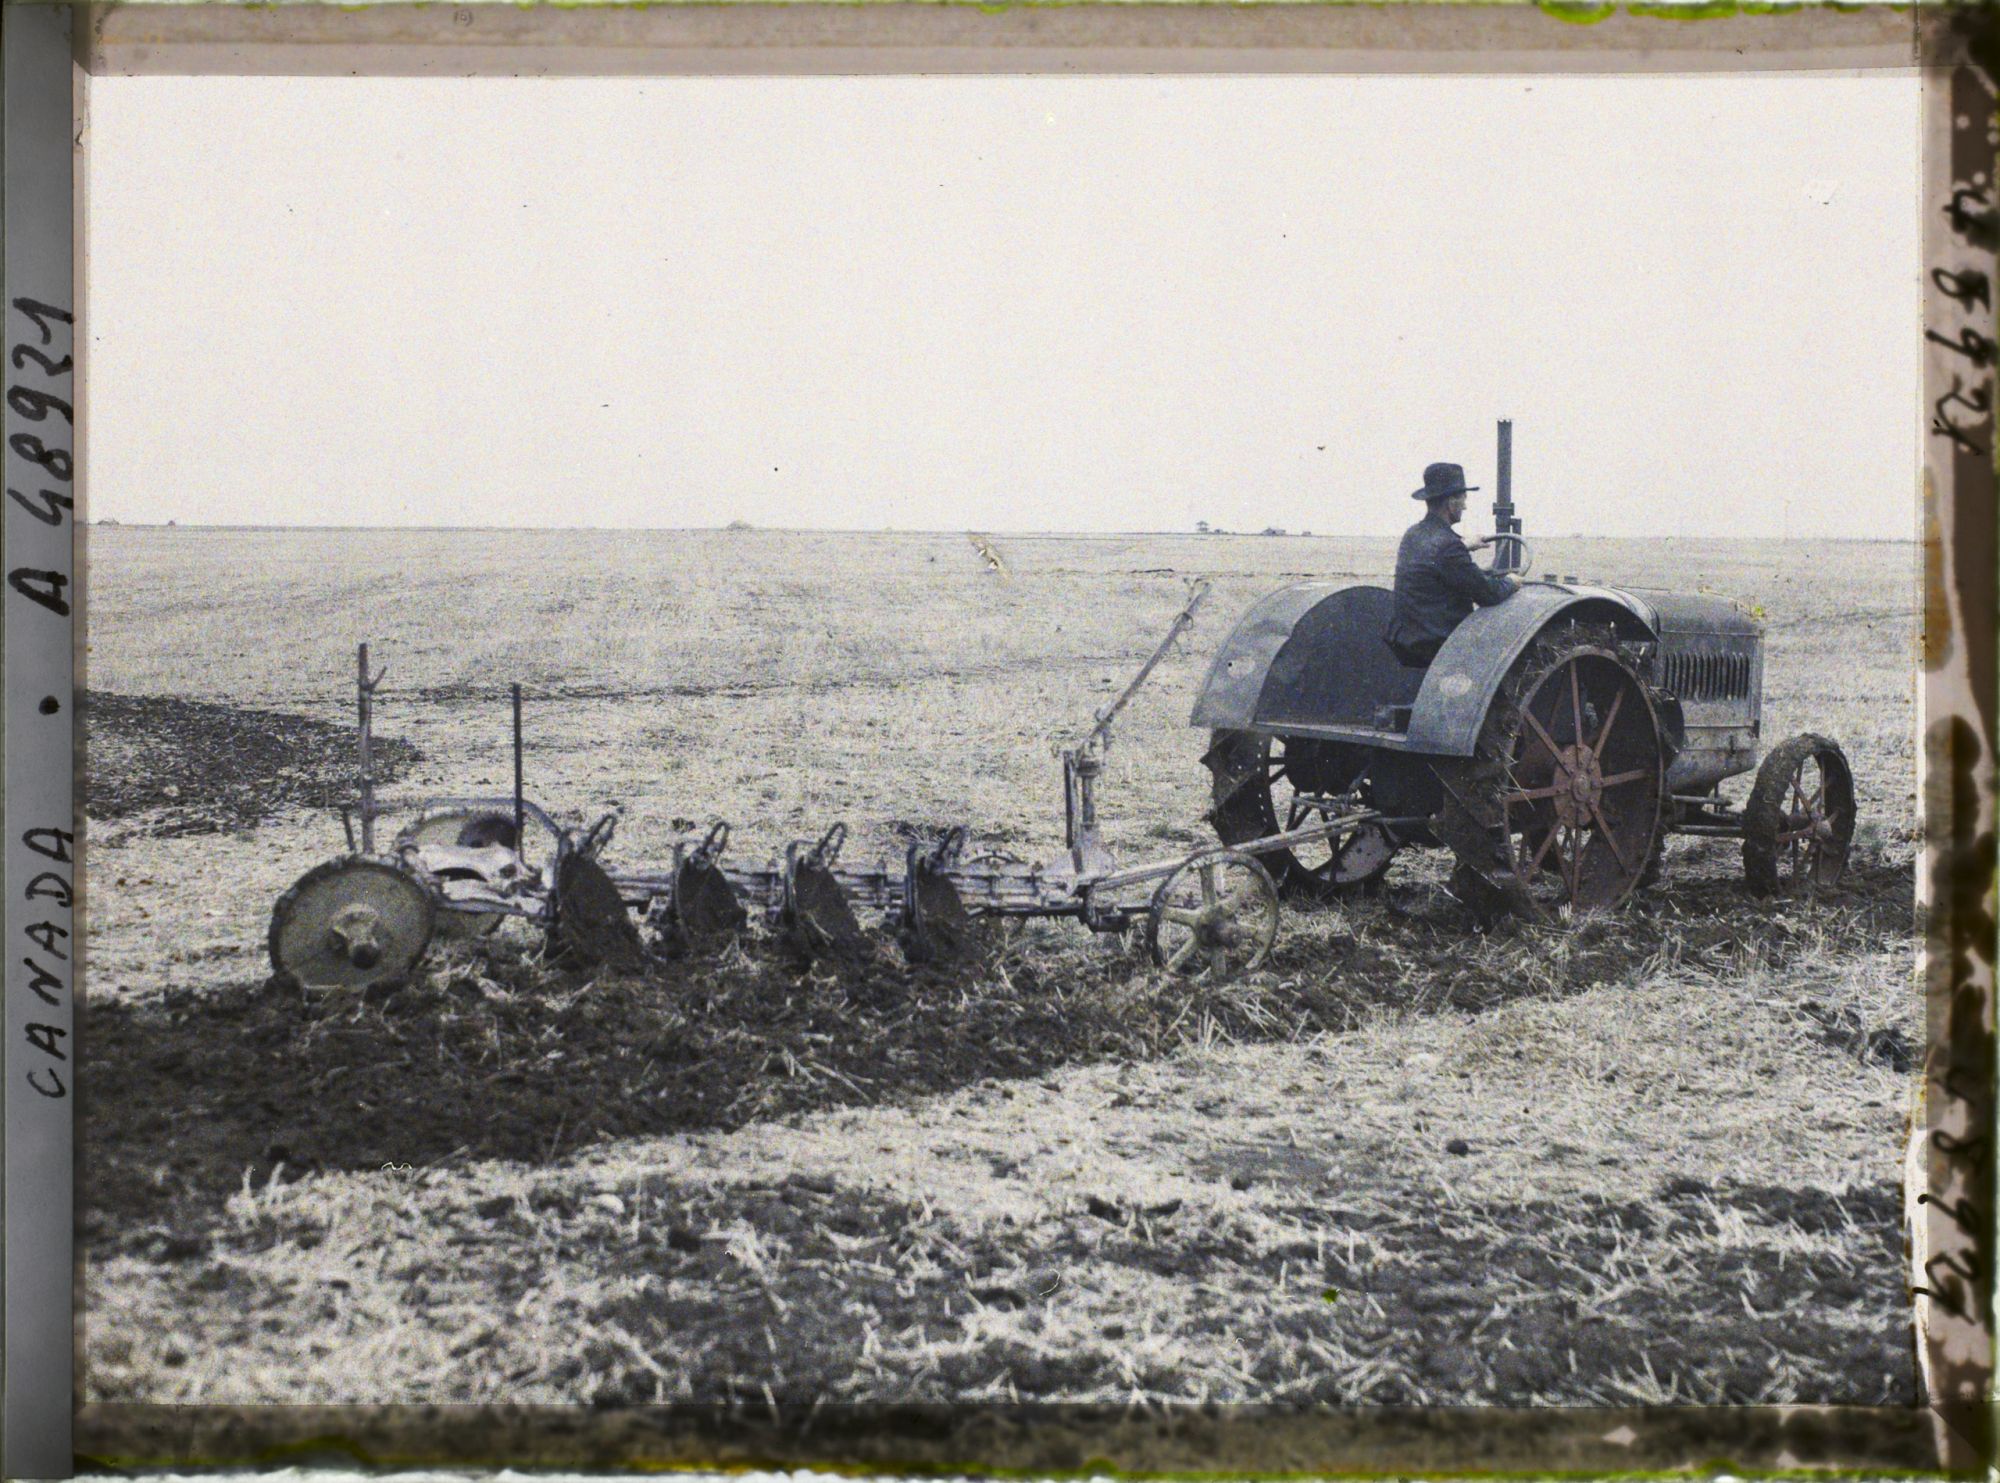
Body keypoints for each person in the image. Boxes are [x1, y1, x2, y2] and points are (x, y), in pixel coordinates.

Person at [1385, 461, 1521, 667]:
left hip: (1409, 640)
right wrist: (1511, 582)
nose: (1465, 506)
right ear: (1451, 502)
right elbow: (1489, 595)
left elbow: (1433, 558)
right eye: (1463, 499)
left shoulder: (1413, 534)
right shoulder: (1449, 547)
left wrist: (1465, 544)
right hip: (1440, 645)